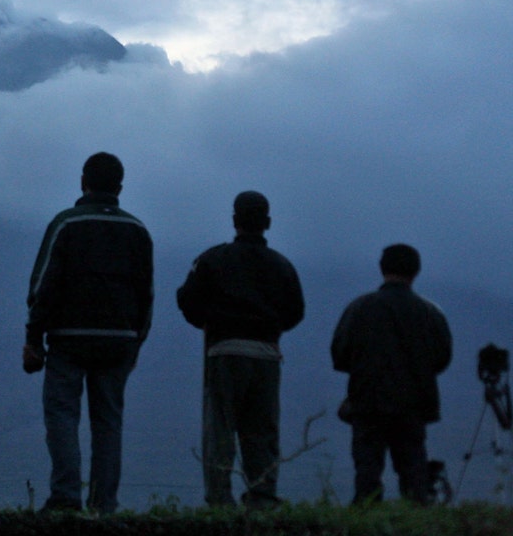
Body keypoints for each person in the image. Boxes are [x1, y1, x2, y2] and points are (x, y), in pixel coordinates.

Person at [23, 152, 152, 514]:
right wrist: (136, 342)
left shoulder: (67, 224)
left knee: (63, 415)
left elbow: (43, 285)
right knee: (108, 422)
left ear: (83, 182)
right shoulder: (137, 230)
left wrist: (33, 338)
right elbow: (147, 294)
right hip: (119, 341)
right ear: (120, 187)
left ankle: (66, 497)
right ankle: (103, 504)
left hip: (69, 338)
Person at [175, 191, 305, 507]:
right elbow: (296, 311)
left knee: (220, 430)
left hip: (224, 351)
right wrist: (269, 329)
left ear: (235, 220)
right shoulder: (282, 266)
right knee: (262, 432)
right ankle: (262, 497)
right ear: (268, 222)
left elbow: (187, 300)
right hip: (266, 355)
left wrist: (211, 323)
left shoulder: (211, 259)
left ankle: (220, 500)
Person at [331, 243, 453, 504]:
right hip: (413, 405)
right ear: (416, 271)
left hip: (367, 403)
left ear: (382, 268)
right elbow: (442, 358)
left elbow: (340, 355)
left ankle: (365, 525)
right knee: (413, 474)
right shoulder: (430, 313)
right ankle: (415, 524)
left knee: (367, 473)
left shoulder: (359, 308)